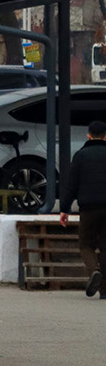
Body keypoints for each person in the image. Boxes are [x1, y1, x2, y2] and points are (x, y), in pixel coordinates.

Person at [60, 119, 106, 298]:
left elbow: (71, 185)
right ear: (105, 136)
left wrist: (64, 209)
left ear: (88, 136)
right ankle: (104, 290)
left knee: (86, 244)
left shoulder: (80, 155)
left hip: (88, 208)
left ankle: (94, 271)